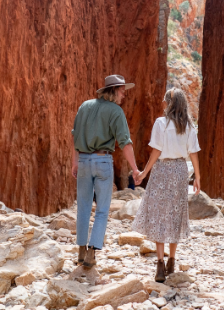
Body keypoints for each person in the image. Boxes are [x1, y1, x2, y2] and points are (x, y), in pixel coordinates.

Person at [132, 88, 201, 282]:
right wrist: (197, 176)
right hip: (180, 171)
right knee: (175, 214)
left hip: (162, 171)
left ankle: (160, 265)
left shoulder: (161, 124)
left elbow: (156, 151)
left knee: (160, 215)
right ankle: (172, 260)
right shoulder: (189, 126)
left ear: (169, 104)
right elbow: (193, 152)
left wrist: (144, 172)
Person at [72, 74, 141, 268]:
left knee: (84, 207)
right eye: (121, 91)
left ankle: (81, 251)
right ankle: (92, 254)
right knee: (102, 210)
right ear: (113, 91)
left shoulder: (85, 106)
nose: (124, 95)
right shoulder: (116, 111)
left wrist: (75, 162)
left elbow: (74, 135)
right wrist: (135, 169)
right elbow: (125, 143)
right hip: (103, 161)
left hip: (84, 160)